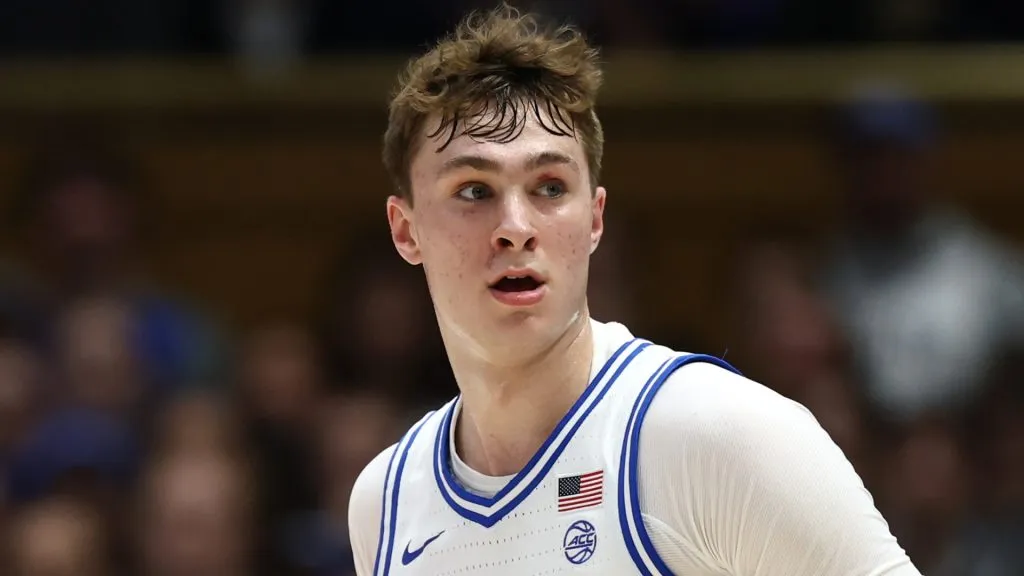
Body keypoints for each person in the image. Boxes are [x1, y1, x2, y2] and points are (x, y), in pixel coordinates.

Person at [347, 5, 922, 575]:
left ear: (594, 220)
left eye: (550, 187)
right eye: (475, 190)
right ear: (406, 230)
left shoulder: (715, 434)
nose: (516, 228)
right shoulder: (385, 503)